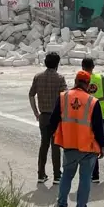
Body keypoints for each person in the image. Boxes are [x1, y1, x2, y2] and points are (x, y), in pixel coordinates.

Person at [49, 70, 104, 207]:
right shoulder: (92, 102)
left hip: (69, 145)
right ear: (88, 84)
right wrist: (103, 146)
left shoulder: (63, 97)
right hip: (88, 147)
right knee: (85, 178)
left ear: (75, 81)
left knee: (67, 175)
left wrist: (53, 136)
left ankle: (61, 206)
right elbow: (99, 128)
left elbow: (53, 120)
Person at [29, 51, 67, 184]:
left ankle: (41, 173)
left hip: (43, 116)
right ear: (57, 64)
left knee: (43, 145)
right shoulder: (60, 78)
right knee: (56, 146)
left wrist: (36, 112)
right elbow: (65, 98)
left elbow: (31, 95)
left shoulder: (38, 77)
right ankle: (57, 175)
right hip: (56, 117)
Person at [82, 57, 104, 183]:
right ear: (93, 66)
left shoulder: (82, 79)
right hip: (102, 113)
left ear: (83, 67)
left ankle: (95, 174)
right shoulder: (101, 78)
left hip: (88, 114)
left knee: (92, 142)